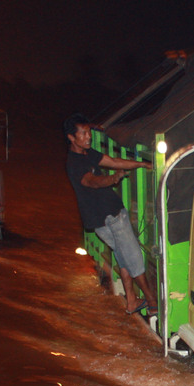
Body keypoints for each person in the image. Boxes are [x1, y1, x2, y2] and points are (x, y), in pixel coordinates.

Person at [65, 113, 158, 315]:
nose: (88, 136)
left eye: (89, 131)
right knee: (134, 259)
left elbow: (114, 161)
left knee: (123, 256)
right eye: (83, 133)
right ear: (72, 138)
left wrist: (141, 164)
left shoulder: (87, 153)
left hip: (100, 221)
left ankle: (132, 301)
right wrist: (112, 179)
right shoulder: (74, 163)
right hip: (111, 217)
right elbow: (92, 181)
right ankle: (152, 302)